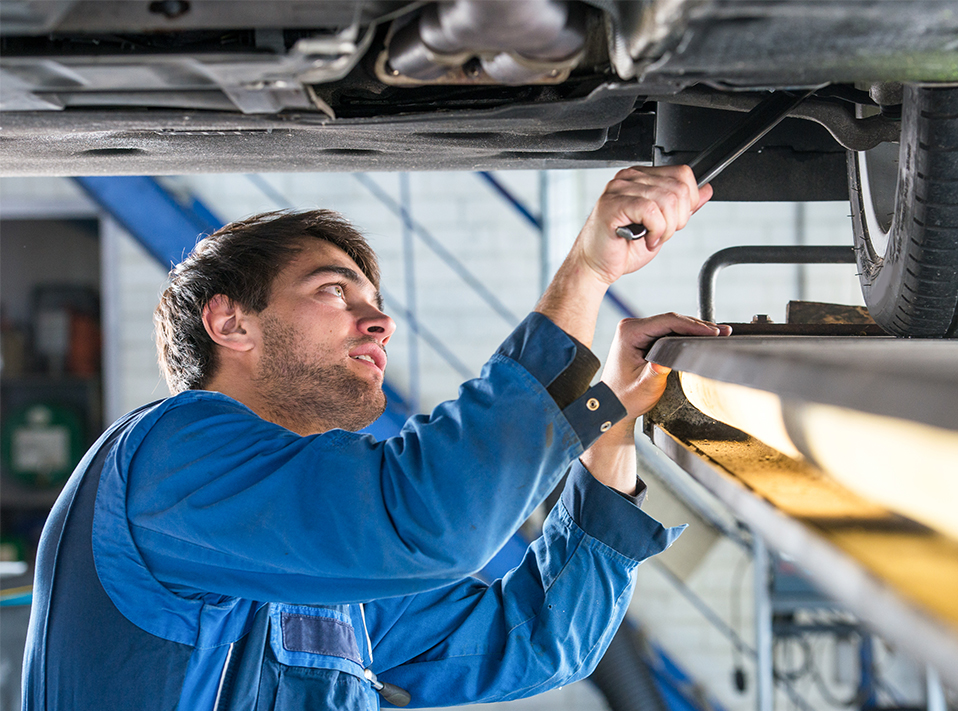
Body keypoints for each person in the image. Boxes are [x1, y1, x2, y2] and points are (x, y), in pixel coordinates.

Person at [22, 166, 730, 710]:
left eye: (377, 304)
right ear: (230, 323)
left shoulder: (322, 565)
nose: (379, 322)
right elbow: (433, 519)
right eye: (335, 291)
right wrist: (588, 270)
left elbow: (537, 640)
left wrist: (610, 416)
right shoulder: (167, 459)